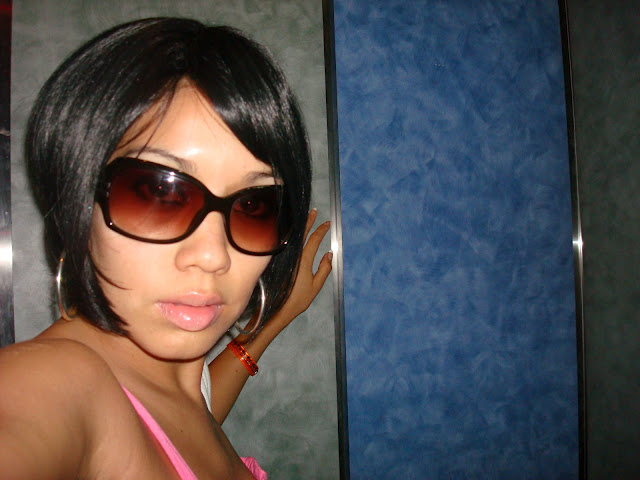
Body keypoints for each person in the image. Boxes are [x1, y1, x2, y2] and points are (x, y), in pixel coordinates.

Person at [0, 17, 331, 479]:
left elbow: (185, 420)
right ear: (78, 200)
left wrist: (276, 318)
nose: (213, 256)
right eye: (158, 192)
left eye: (254, 205)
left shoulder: (181, 382)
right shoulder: (55, 383)